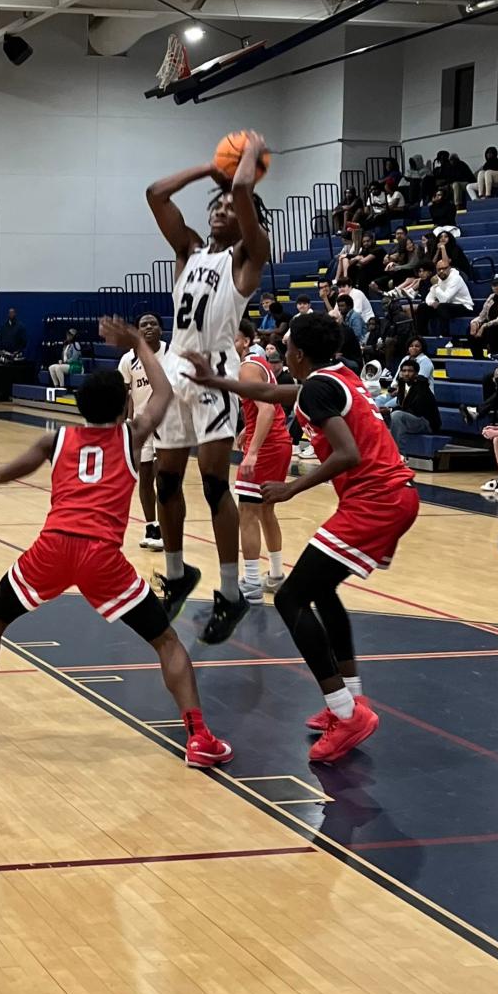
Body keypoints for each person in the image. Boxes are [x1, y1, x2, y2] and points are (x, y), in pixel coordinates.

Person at [0, 318, 232, 769]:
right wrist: (137, 342)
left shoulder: (56, 439)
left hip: (52, 548)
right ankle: (198, 737)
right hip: (103, 556)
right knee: (166, 642)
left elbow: (3, 473)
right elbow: (163, 393)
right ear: (123, 407)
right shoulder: (132, 437)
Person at [185, 311, 419, 763]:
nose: (281, 350)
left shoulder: (318, 387)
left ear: (296, 353)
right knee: (320, 589)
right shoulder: (336, 376)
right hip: (391, 496)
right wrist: (217, 379)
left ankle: (346, 713)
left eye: (286, 345)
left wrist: (292, 488)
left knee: (291, 598)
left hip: (377, 500)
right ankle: (352, 700)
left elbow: (348, 453)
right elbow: (269, 392)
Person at [145, 132, 270, 643]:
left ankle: (230, 592)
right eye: (215, 205)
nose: (220, 209)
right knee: (166, 482)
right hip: (175, 369)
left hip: (215, 371)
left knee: (215, 483)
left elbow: (243, 198)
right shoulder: (190, 250)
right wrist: (209, 167)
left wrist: (240, 172)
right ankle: (176, 578)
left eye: (228, 206)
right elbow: (156, 193)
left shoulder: (248, 257)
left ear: (245, 219)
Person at [233, 328, 292, 602]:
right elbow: (267, 406)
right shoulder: (261, 364)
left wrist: (252, 451)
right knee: (267, 510)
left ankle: (253, 582)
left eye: (232, 337)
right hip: (280, 441)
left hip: (267, 447)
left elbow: (267, 409)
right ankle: (277, 575)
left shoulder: (247, 368)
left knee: (247, 511)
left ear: (246, 340)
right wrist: (248, 428)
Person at [118, 312, 164, 551]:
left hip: (168, 423)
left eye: (153, 323)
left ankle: (167, 527)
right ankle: (151, 526)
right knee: (145, 478)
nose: (148, 327)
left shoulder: (171, 354)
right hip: (141, 424)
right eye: (143, 324)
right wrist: (124, 421)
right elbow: (125, 394)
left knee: (164, 477)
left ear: (160, 329)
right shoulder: (128, 360)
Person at [388, 358, 441, 454]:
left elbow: (415, 410)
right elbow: (403, 406)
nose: (406, 373)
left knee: (396, 416)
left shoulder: (422, 386)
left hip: (426, 422)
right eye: (404, 371)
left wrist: (391, 410)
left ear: (416, 373)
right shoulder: (403, 384)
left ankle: (399, 455)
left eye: (410, 371)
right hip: (412, 419)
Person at [415, 260, 473, 344]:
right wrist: (432, 302)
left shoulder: (456, 278)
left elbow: (445, 299)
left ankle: (446, 337)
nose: (441, 271)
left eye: (444, 268)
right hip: (446, 307)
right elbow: (429, 297)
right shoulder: (438, 279)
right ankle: (422, 337)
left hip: (463, 306)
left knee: (442, 306)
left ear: (449, 268)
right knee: (422, 307)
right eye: (439, 269)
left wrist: (435, 285)